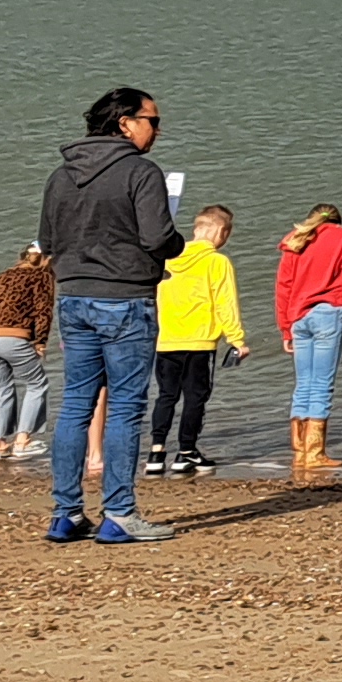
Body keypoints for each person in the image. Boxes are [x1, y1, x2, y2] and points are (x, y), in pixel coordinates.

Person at [38, 87, 182, 545]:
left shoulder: (62, 176)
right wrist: (177, 247)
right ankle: (118, 512)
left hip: (74, 296)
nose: (156, 131)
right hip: (125, 298)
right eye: (152, 121)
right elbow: (159, 236)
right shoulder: (140, 172)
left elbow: (47, 240)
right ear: (125, 123)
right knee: (125, 406)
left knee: (77, 403)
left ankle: (66, 512)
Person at [145, 203, 247, 478]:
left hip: (166, 339)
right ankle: (186, 450)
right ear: (221, 231)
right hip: (200, 342)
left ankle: (156, 452)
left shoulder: (167, 258)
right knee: (195, 398)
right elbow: (225, 302)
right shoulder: (216, 261)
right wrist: (237, 339)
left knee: (166, 395)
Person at [276, 203, 342, 485]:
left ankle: (300, 452)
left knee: (303, 383)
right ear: (337, 221)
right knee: (322, 384)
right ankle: (315, 453)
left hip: (298, 317)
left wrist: (285, 328)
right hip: (328, 314)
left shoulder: (295, 239)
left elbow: (283, 285)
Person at [0, 244, 57, 477]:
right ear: (45, 260)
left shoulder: (2, 276)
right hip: (13, 338)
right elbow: (43, 311)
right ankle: (23, 441)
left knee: (2, 389)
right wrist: (40, 342)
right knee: (37, 384)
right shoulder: (41, 277)